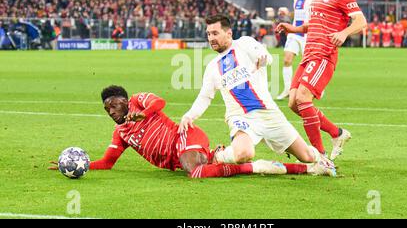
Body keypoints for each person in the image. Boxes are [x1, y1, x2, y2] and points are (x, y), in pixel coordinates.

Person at [49, 86, 334, 178]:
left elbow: (160, 102)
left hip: (185, 136)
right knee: (200, 166)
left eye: (114, 105)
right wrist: (84, 165)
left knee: (195, 171)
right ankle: (228, 158)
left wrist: (143, 113)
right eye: (107, 110)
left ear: (124, 100)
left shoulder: (139, 100)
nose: (111, 112)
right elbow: (108, 163)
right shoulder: (121, 134)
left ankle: (263, 166)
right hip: (176, 159)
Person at [178, 14, 336, 176]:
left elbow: (266, 57)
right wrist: (190, 115)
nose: (211, 38)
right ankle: (219, 155)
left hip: (269, 113)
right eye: (209, 34)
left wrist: (263, 59)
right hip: (241, 117)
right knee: (243, 154)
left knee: (307, 156)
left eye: (215, 33)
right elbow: (205, 96)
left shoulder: (244, 43)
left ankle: (322, 159)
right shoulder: (212, 67)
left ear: (229, 33)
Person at [276, 0, 367, 160]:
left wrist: (344, 33)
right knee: (293, 103)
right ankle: (337, 133)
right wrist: (294, 29)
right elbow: (314, 23)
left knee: (303, 98)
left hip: (324, 55)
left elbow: (361, 21)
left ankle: (321, 157)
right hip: (309, 54)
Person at [277, 0, 315, 100]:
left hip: (308, 34)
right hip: (294, 33)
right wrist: (288, 14)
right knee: (287, 60)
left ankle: (314, 88)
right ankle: (288, 90)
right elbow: (298, 15)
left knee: (309, 64)